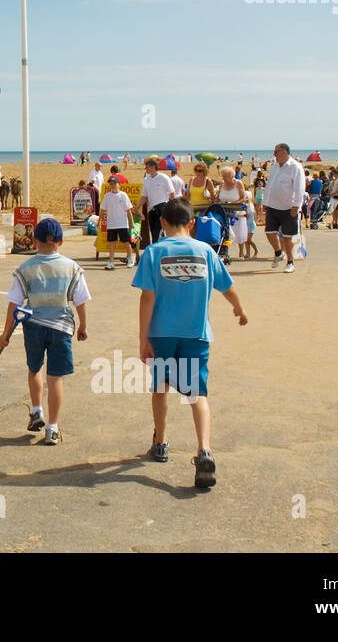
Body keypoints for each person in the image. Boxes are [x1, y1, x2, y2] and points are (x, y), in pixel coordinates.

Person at [132, 199, 247, 488]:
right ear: (192, 223)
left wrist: (143, 338)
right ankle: (204, 450)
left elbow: (147, 297)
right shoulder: (205, 251)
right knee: (198, 394)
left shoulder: (154, 252)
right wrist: (239, 308)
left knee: (161, 387)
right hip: (196, 333)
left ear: (163, 224)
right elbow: (227, 286)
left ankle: (160, 441)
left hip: (161, 334)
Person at [0, 218, 90, 446]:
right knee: (55, 378)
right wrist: (83, 326)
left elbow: (14, 303)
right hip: (61, 328)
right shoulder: (71, 267)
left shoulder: (26, 268)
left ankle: (37, 410)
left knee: (34, 369)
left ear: (34, 240)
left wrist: (6, 332)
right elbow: (80, 301)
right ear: (59, 242)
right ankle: (53, 428)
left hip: (34, 326)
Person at [262, 142, 305, 272]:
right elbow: (269, 184)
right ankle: (278, 252)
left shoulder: (295, 167)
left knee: (288, 236)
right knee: (269, 232)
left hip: (288, 207)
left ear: (285, 152)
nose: (274, 154)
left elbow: (299, 188)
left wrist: (296, 206)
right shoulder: (275, 166)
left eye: (277, 151)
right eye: (274, 152)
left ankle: (290, 262)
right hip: (272, 205)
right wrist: (265, 202)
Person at [139, 156, 175, 248]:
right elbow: (144, 196)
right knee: (154, 231)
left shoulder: (163, 177)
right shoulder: (146, 180)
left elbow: (172, 193)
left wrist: (171, 207)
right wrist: (137, 206)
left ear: (152, 167)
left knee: (158, 232)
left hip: (162, 206)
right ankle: (161, 250)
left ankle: (157, 250)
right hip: (151, 209)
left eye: (147, 167)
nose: (146, 169)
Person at [102, 174, 135, 270]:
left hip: (122, 223)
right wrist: (99, 220)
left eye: (114, 183)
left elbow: (128, 210)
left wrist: (131, 223)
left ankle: (130, 257)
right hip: (111, 224)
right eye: (111, 183)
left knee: (125, 241)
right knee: (111, 243)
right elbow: (103, 209)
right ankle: (111, 261)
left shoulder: (123, 195)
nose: (112, 185)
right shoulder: (107, 196)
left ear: (118, 184)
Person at [217, 165, 250, 259]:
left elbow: (244, 198)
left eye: (225, 176)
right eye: (222, 176)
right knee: (225, 233)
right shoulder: (222, 184)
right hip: (224, 210)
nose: (223, 178)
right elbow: (218, 197)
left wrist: (233, 203)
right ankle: (225, 252)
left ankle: (241, 252)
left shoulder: (238, 183)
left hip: (236, 211)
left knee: (239, 232)